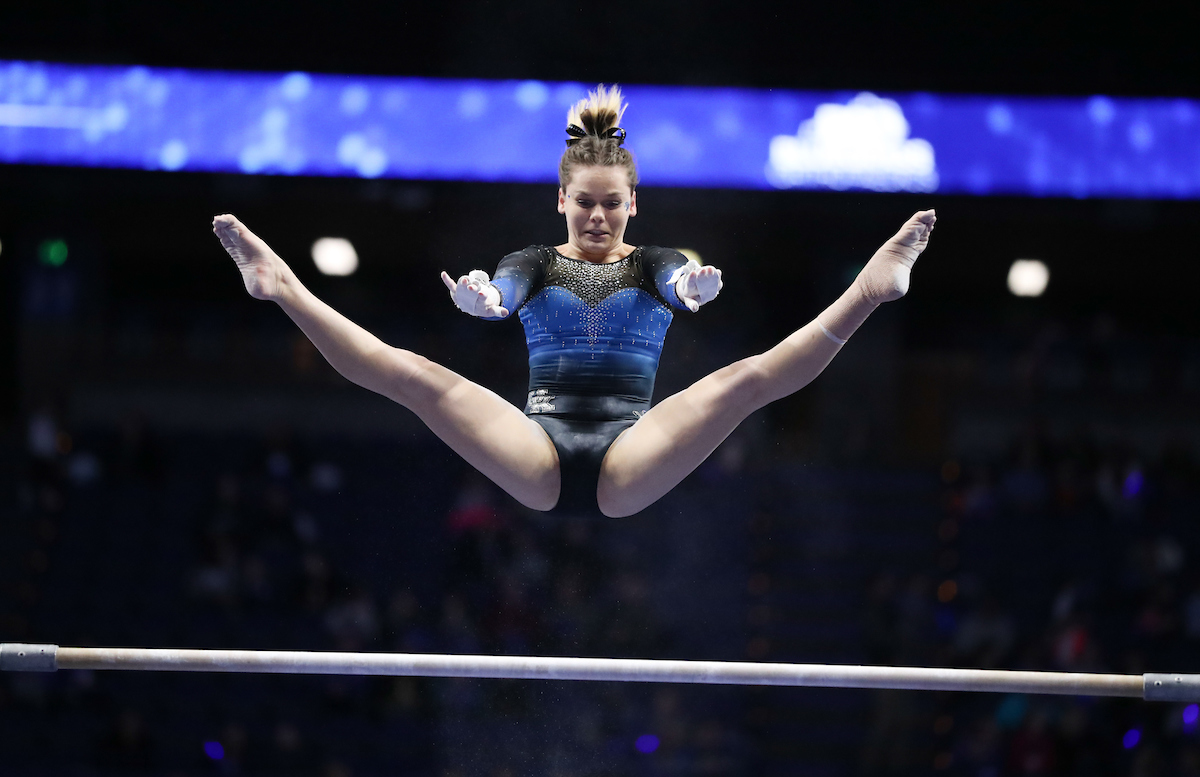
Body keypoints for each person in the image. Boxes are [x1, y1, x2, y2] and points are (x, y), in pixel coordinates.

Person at [213, 84, 936, 518]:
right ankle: (281, 287)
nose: (597, 217)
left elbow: (683, 278)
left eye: (612, 205)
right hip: (536, 450)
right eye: (584, 203)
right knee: (416, 378)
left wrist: (694, 287)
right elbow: (504, 293)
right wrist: (482, 300)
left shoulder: (658, 261)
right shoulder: (531, 261)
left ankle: (870, 290)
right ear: (561, 200)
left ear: (633, 205)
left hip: (631, 453)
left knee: (742, 382)